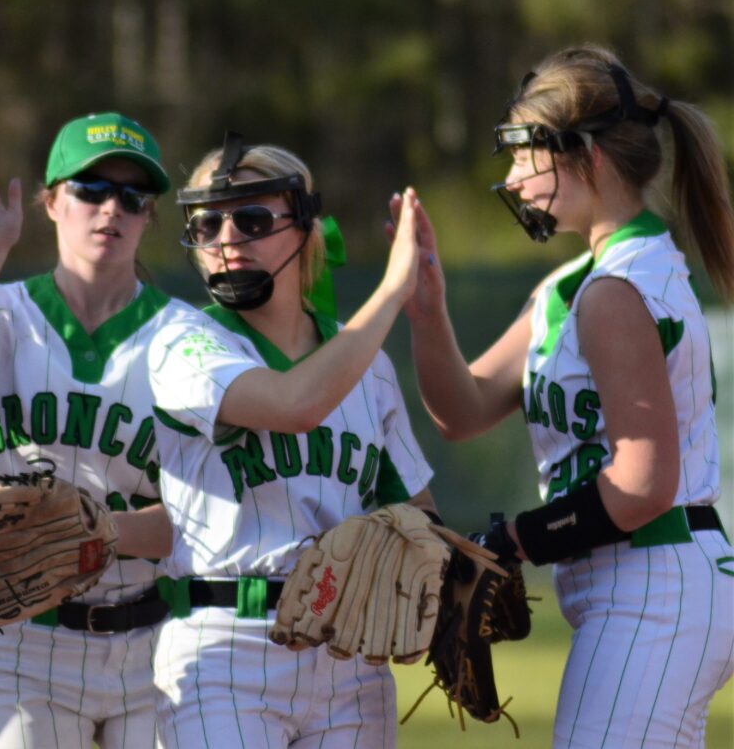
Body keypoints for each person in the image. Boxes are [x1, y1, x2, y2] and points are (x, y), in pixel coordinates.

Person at [405, 45, 734, 748]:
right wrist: (428, 305)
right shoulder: (575, 286)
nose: (513, 179)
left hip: (655, 582)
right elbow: (461, 411)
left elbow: (643, 485)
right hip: (640, 585)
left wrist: (517, 538)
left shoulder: (615, 289)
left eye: (525, 154)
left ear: (586, 154)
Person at [147, 132, 436, 747]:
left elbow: (417, 511)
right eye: (205, 226)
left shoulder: (367, 365)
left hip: (350, 656)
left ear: (305, 227)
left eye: (250, 218)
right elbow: (295, 405)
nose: (226, 239)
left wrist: (432, 563)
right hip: (226, 648)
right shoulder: (181, 340)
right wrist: (393, 290)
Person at [0, 111, 189, 749]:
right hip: (23, 646)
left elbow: (205, 519)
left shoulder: (187, 338)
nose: (113, 207)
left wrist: (99, 532)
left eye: (134, 197)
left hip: (155, 646)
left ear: (149, 216)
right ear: (50, 202)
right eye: (91, 189)